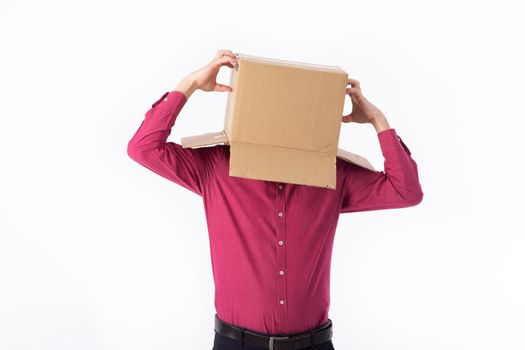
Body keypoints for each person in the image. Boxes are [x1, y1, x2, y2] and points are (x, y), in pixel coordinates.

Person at [127, 49, 424, 350]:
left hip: (314, 344)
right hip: (236, 343)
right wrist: (190, 83)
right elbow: (143, 148)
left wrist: (377, 119)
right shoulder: (216, 166)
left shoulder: (330, 175)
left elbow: (406, 191)